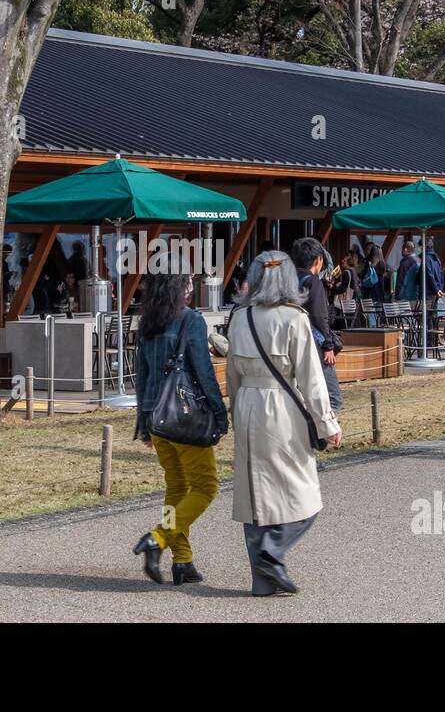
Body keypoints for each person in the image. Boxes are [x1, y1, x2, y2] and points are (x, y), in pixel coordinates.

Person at [226, 251, 343, 595]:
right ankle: (273, 551)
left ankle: (262, 579)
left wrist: (236, 413)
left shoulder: (239, 317)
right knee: (303, 491)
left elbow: (232, 373)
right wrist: (327, 423)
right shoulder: (294, 319)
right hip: (280, 406)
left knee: (253, 494)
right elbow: (311, 377)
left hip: (247, 402)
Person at [132, 273, 229, 585]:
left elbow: (142, 377)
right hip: (186, 419)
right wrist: (219, 412)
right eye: (188, 281)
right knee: (206, 487)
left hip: (157, 419)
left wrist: (144, 425)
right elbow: (204, 371)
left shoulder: (147, 322)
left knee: (176, 489)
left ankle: (183, 560)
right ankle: (157, 538)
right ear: (180, 286)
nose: (192, 285)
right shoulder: (192, 321)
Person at [291, 237, 342, 410]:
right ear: (318, 259)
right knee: (333, 397)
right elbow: (320, 316)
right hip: (315, 342)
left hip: (290, 342)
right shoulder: (314, 282)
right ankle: (323, 434)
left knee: (300, 393)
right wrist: (328, 345)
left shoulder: (286, 281)